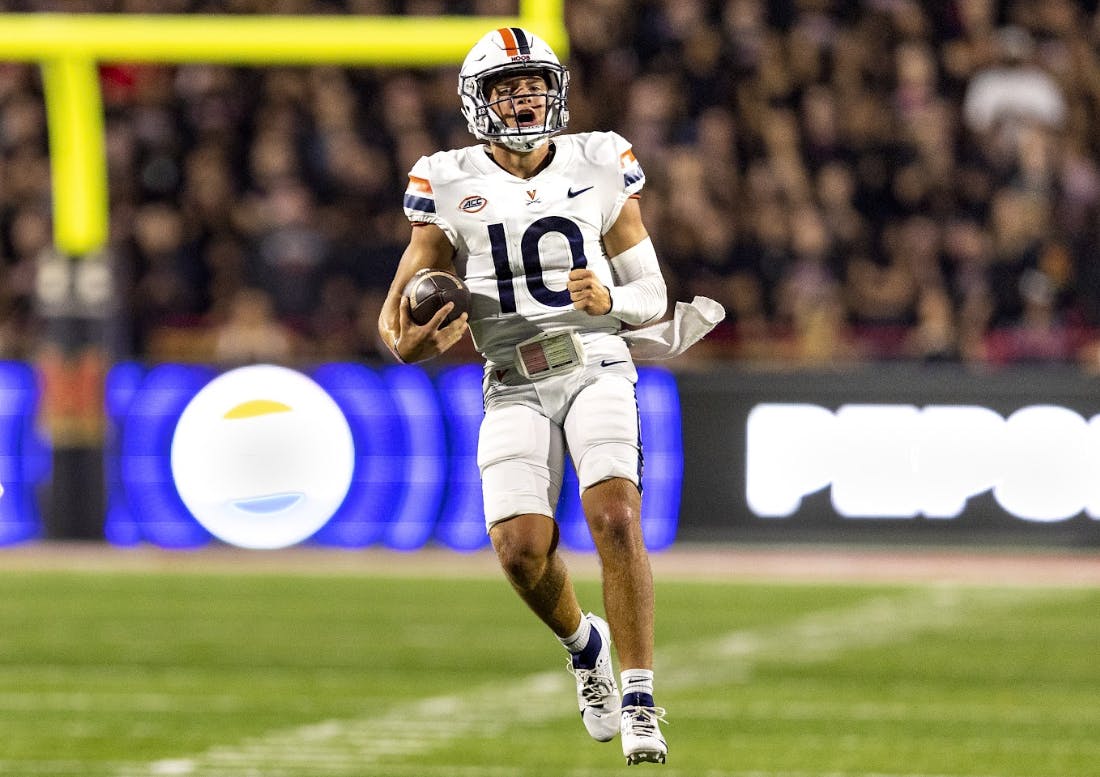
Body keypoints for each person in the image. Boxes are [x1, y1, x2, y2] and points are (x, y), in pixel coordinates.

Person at [379, 27, 720, 765]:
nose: (525, 99)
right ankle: (583, 643)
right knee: (520, 550)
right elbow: (398, 307)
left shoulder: (600, 160)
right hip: (511, 378)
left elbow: (653, 293)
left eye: (533, 85)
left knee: (616, 515)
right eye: (507, 89)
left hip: (596, 359)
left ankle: (639, 699)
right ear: (478, 101)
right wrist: (405, 342)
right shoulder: (446, 178)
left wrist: (612, 301)